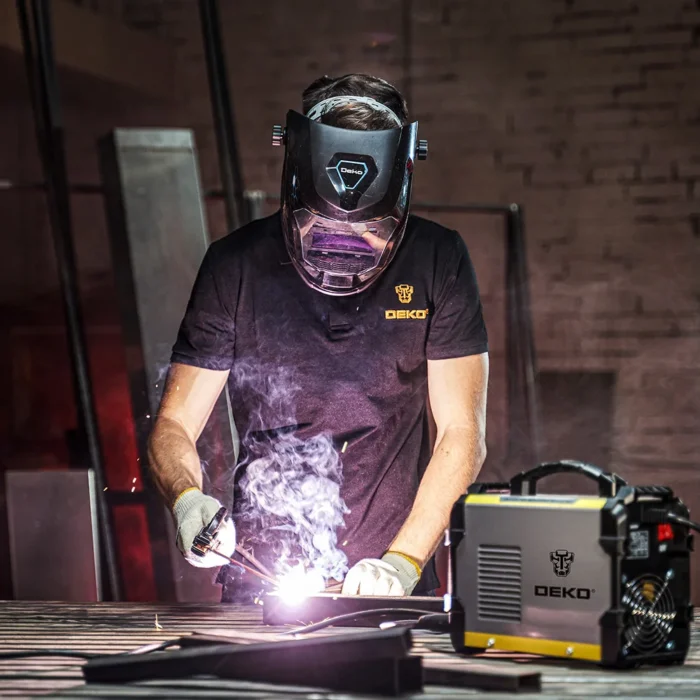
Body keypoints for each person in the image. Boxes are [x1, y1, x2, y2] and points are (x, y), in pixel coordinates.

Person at [148, 73, 489, 597]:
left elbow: (461, 434)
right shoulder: (235, 265)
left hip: (391, 582)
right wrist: (187, 498)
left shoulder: (437, 259)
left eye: (369, 230)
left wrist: (401, 564)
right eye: (325, 227)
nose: (345, 247)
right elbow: (174, 422)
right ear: (295, 179)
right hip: (262, 578)